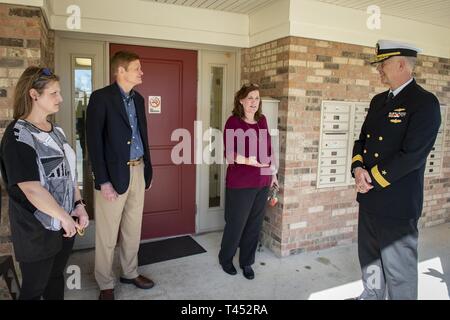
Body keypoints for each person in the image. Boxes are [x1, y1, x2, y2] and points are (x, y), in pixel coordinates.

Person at [350, 40, 441, 300]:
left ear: (402, 64)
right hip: (369, 196)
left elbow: (412, 156)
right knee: (369, 258)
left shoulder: (424, 103)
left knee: (398, 268)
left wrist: (372, 179)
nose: (379, 69)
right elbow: (362, 141)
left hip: (397, 202)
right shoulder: (379, 100)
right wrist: (358, 169)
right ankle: (372, 295)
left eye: (384, 64)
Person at [0, 66, 89, 300]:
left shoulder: (56, 130)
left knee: (56, 279)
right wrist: (64, 216)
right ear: (33, 94)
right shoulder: (18, 135)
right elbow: (31, 188)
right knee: (34, 288)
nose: (60, 98)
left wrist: (79, 205)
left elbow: (69, 174)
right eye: (54, 93)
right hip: (36, 231)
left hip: (65, 224)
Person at [86, 51, 153, 300]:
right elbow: (93, 143)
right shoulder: (100, 98)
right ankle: (105, 283)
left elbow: (143, 136)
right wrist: (102, 180)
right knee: (107, 232)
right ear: (121, 71)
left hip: (138, 170)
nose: (141, 72)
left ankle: (129, 272)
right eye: (137, 68)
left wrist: (148, 169)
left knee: (133, 228)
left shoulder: (139, 100)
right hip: (112, 175)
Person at [219, 83, 278, 280]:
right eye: (250, 98)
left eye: (257, 98)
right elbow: (228, 153)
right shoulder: (233, 122)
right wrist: (248, 160)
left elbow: (268, 150)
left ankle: (247, 262)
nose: (254, 102)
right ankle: (225, 258)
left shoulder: (262, 120)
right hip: (240, 183)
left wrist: (273, 174)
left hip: (262, 181)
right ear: (241, 100)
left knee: (254, 224)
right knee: (236, 224)